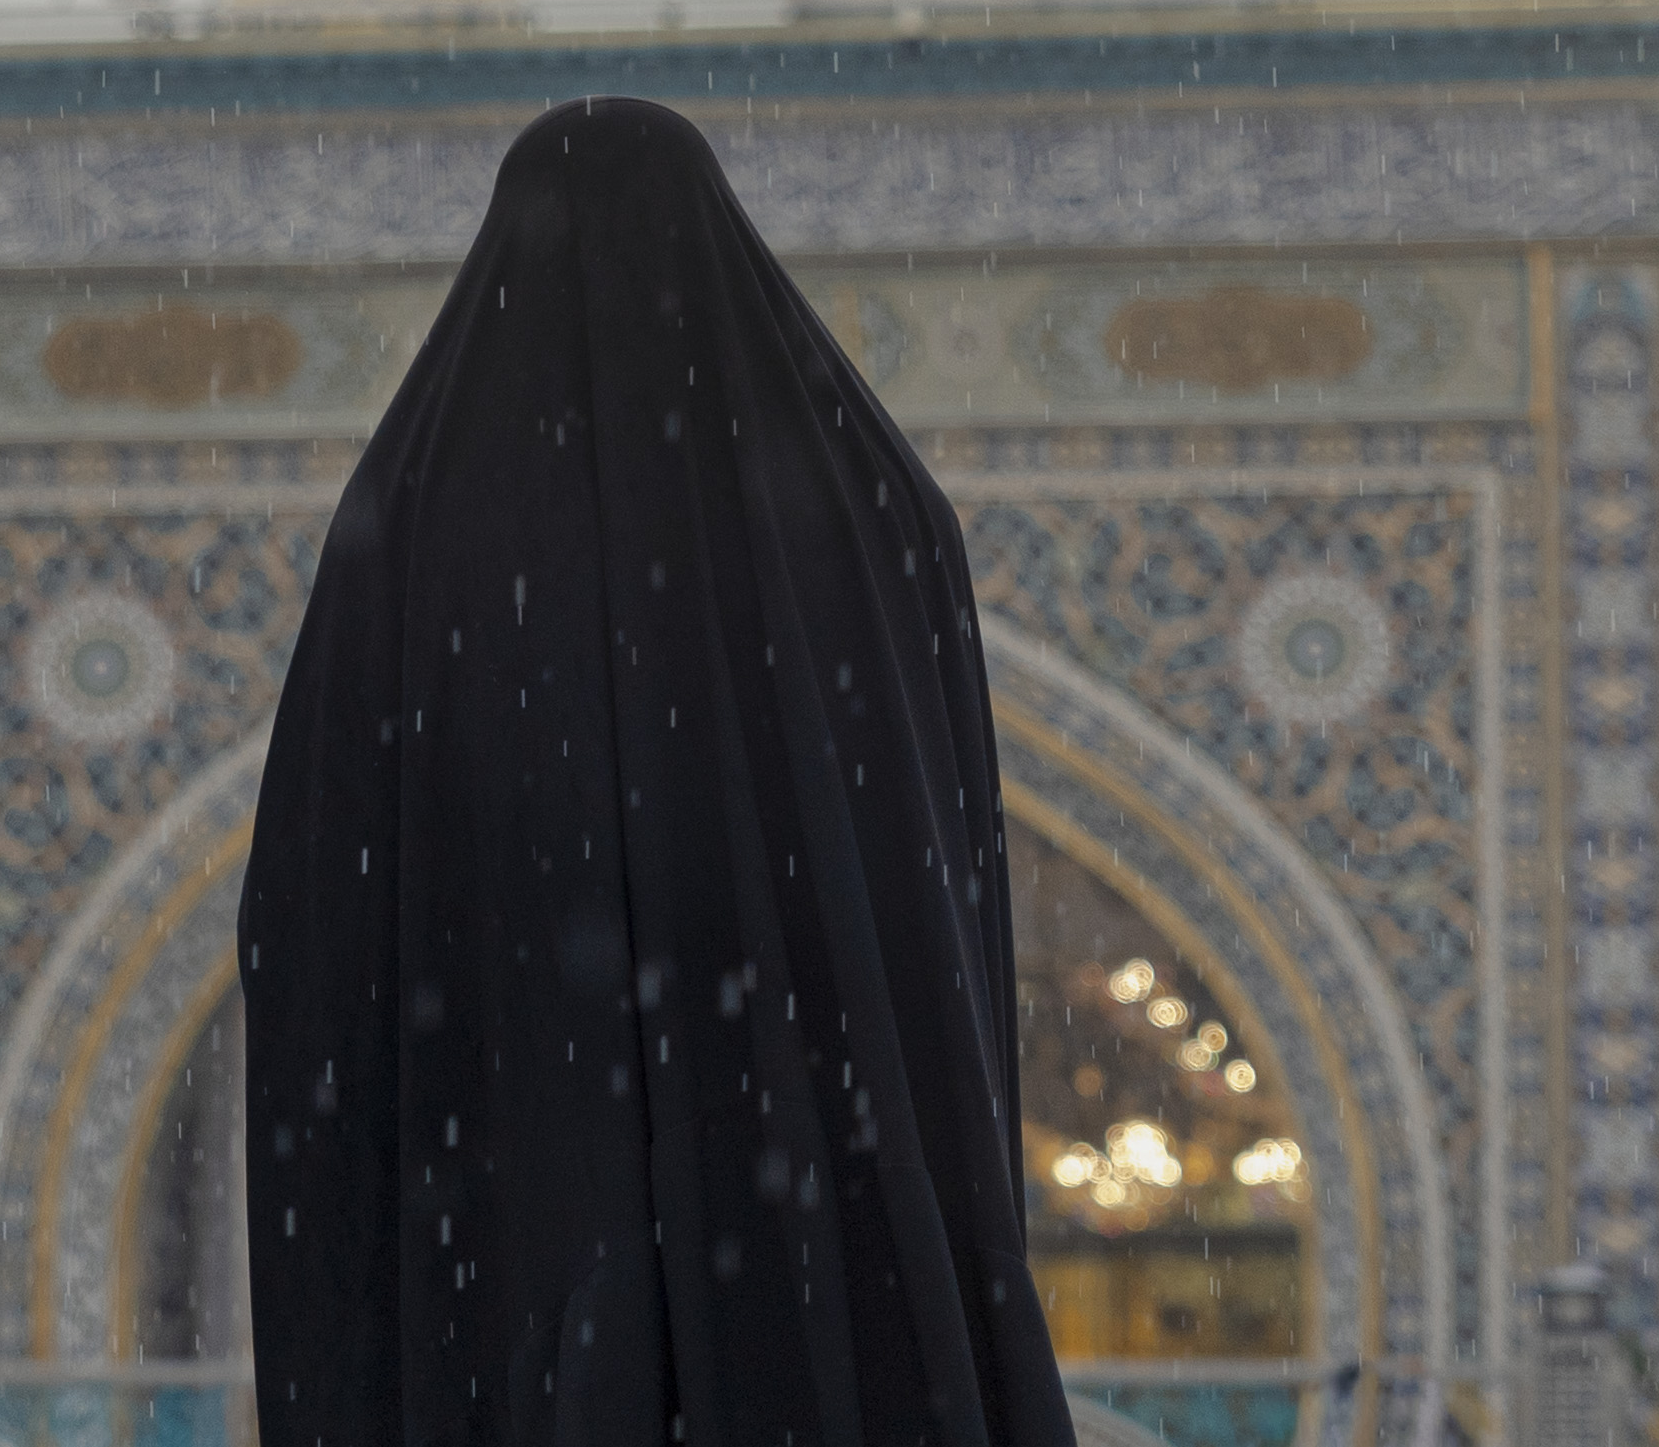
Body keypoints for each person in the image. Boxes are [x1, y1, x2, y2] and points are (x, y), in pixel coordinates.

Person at [238, 96, 1075, 1447]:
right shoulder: (870, 514)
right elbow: (940, 913)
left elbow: (314, 921)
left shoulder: (426, 527)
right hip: (822, 1219)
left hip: (505, 1221)